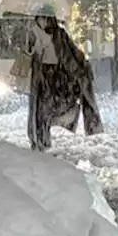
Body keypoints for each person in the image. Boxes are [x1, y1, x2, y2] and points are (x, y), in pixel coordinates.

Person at [27, 14, 102, 152]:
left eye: (45, 19)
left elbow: (68, 55)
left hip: (57, 75)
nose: (42, 21)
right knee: (41, 111)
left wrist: (80, 71)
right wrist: (36, 49)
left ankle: (48, 139)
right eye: (40, 19)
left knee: (54, 108)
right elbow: (29, 54)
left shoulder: (59, 35)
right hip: (43, 76)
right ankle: (41, 141)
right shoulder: (33, 33)